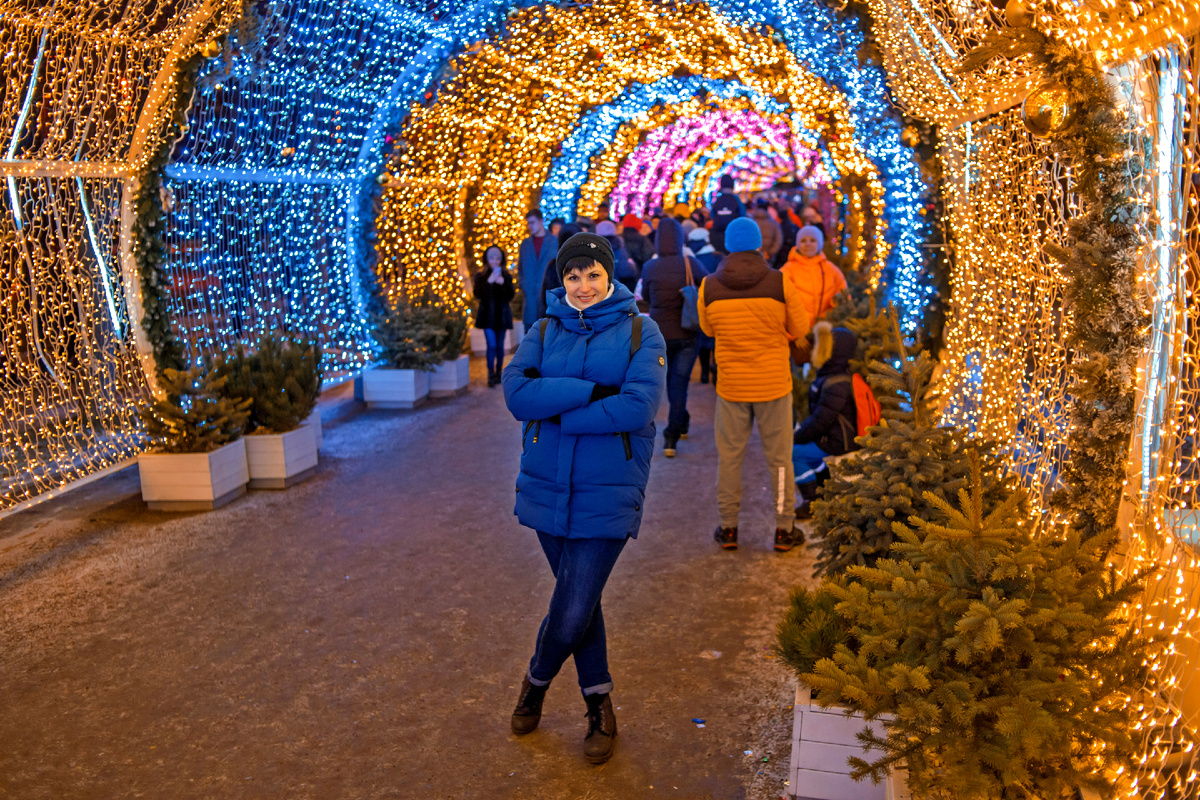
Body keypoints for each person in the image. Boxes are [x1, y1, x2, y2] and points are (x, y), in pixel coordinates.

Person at [501, 232, 667, 766]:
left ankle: (535, 682)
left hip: (607, 490)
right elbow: (516, 394)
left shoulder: (642, 331)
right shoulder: (544, 329)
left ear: (610, 276)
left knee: (572, 608)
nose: (583, 285)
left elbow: (638, 407)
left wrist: (558, 411)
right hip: (546, 487)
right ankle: (599, 703)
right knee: (581, 603)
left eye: (593, 274)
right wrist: (593, 392)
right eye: (573, 276)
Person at [698, 217, 811, 552]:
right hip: (774, 384)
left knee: (730, 458)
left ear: (727, 246)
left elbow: (707, 330)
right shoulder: (780, 282)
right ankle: (784, 529)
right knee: (780, 460)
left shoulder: (709, 286)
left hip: (732, 387)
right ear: (759, 243)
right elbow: (800, 328)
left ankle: (729, 528)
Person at [641, 217, 707, 457]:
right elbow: (707, 285)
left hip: (660, 334)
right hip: (688, 331)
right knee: (679, 382)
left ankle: (678, 424)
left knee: (671, 381)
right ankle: (674, 430)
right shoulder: (691, 263)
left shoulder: (650, 267)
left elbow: (646, 296)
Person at [793, 323, 858, 520]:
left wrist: (797, 436)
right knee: (806, 452)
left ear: (834, 351)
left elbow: (820, 420)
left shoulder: (837, 383)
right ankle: (824, 488)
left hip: (840, 440)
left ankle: (812, 501)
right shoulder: (831, 374)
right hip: (832, 435)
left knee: (795, 453)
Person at [781, 225, 847, 328]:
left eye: (812, 240)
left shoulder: (831, 269)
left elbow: (843, 294)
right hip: (797, 329)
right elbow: (780, 301)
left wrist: (833, 311)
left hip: (825, 328)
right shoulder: (788, 270)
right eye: (803, 241)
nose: (808, 244)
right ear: (798, 244)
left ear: (819, 244)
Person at [473, 245, 515, 387]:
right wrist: (489, 282)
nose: (495, 261)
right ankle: (490, 374)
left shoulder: (506, 276)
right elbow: (478, 294)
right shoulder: (480, 277)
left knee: (500, 346)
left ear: (501, 260)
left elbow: (510, 296)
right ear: (487, 259)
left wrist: (502, 283)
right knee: (491, 345)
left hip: (502, 316)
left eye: (497, 258)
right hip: (487, 317)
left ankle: (499, 372)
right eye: (492, 258)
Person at [517, 210, 558, 327]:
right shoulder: (525, 244)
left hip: (548, 297)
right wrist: (524, 285)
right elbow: (521, 268)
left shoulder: (554, 241)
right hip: (530, 296)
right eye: (528, 223)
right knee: (530, 331)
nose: (530, 226)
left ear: (541, 221)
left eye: (532, 222)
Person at [597, 220, 639, 293]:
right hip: (615, 289)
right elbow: (624, 271)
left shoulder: (592, 247)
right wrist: (632, 265)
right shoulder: (618, 246)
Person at [709, 174, 746, 254]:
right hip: (733, 233)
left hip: (718, 234)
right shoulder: (736, 199)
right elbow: (743, 214)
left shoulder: (718, 200)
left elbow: (712, 215)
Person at [750, 198, 783, 265]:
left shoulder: (750, 222)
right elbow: (778, 240)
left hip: (752, 256)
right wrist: (769, 253)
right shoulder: (773, 223)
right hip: (768, 257)